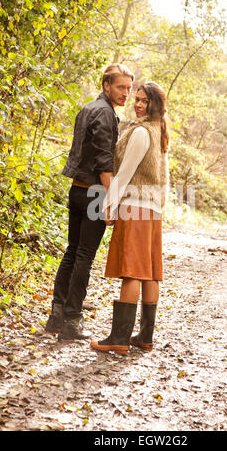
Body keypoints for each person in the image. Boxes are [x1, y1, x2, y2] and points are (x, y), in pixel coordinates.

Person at [45, 63, 135, 340]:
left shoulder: (88, 108)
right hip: (95, 192)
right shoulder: (106, 114)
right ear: (106, 85)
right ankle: (72, 321)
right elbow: (103, 162)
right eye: (121, 87)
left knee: (72, 252)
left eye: (129, 88)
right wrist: (110, 201)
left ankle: (56, 315)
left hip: (76, 190)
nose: (126, 93)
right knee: (83, 255)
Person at [90, 82, 169, 355]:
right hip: (152, 210)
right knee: (149, 273)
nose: (138, 104)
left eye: (145, 101)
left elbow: (124, 174)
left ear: (155, 105)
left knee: (133, 271)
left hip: (135, 207)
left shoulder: (141, 132)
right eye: (137, 99)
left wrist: (109, 205)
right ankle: (144, 337)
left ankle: (119, 338)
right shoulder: (159, 132)